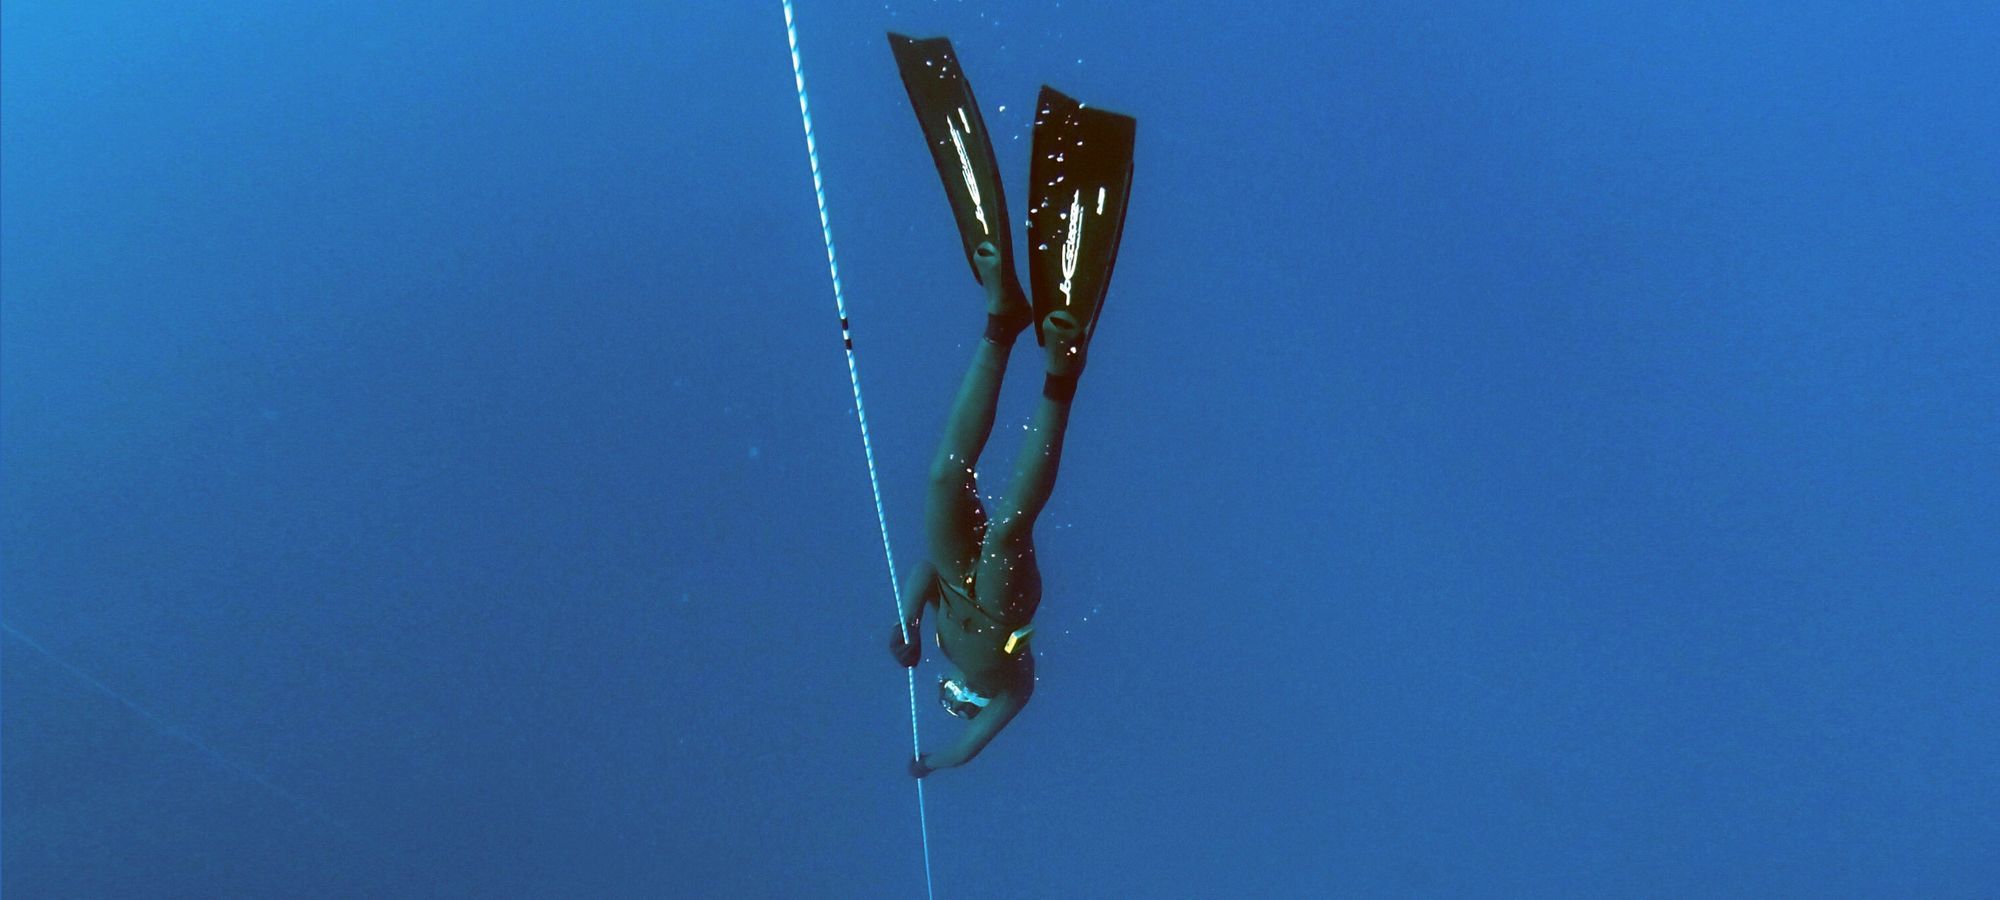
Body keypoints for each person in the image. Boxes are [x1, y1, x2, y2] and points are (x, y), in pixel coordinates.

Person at [885, 34, 1136, 777]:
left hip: (955, 578)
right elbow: (974, 746)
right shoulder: (1009, 686)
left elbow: (925, 579)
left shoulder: (940, 648)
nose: (961, 699)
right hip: (1003, 609)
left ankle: (1002, 320)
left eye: (953, 701)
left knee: (940, 478)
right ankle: (1062, 374)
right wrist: (939, 763)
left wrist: (902, 623)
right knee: (1005, 534)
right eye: (963, 705)